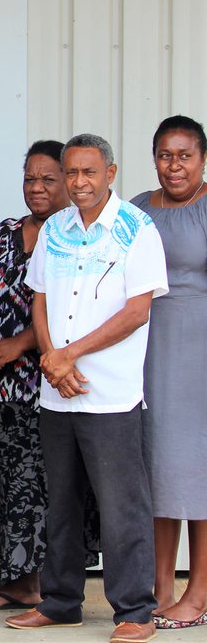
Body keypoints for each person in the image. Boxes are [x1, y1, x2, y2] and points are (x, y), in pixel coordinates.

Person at [6, 134, 166, 643]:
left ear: (111, 174)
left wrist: (68, 355)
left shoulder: (136, 229)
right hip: (57, 394)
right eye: (70, 173)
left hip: (111, 395)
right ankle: (61, 603)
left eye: (89, 173)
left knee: (123, 507)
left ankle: (136, 611)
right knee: (63, 503)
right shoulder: (54, 228)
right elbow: (40, 299)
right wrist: (52, 358)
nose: (78, 183)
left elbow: (137, 311)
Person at [0, 140, 101, 611]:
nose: (39, 188)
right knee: (13, 479)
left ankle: (51, 584)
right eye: (31, 179)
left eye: (49, 179)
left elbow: (66, 308)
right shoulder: (1, 235)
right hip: (2, 384)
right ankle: (19, 581)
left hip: (52, 380)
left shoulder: (75, 236)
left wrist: (16, 346)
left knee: (53, 483)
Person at [131, 116, 207, 630]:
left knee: (197, 473)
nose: (173, 165)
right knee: (155, 469)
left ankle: (199, 592)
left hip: (197, 351)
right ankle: (160, 587)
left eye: (184, 155)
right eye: (165, 154)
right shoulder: (136, 209)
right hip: (143, 349)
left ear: (202, 158)